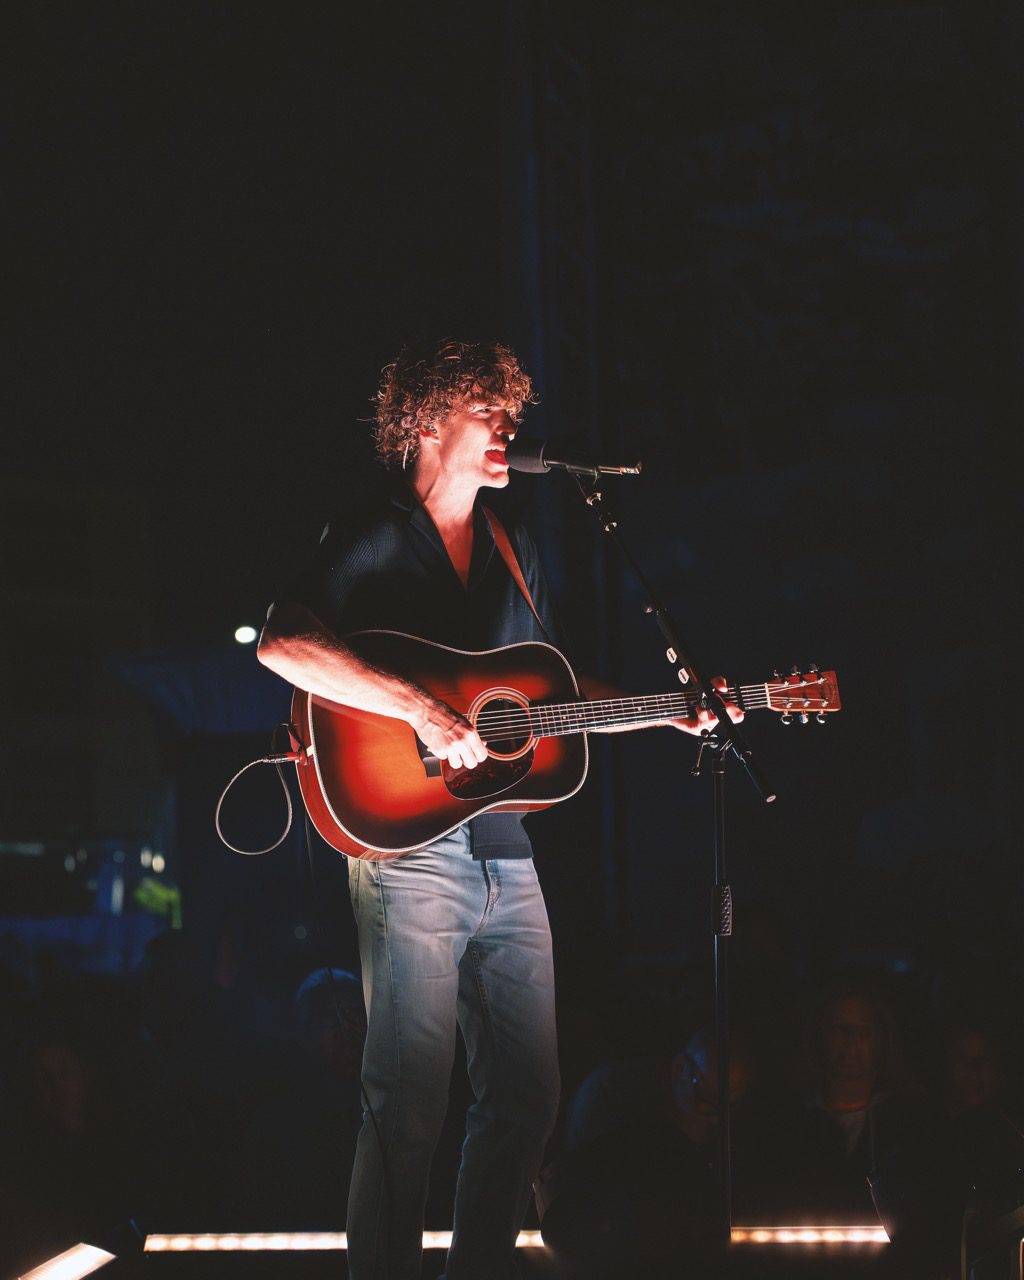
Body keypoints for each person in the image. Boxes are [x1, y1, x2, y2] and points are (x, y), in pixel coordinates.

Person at [257, 338, 736, 1280]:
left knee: (526, 1097)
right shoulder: (372, 532)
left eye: (513, 411)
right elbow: (282, 643)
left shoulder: (518, 551)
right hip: (404, 852)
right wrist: (421, 708)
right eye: (491, 410)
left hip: (507, 851)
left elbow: (543, 689)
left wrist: (671, 712)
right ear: (429, 418)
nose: (511, 428)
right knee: (408, 1102)